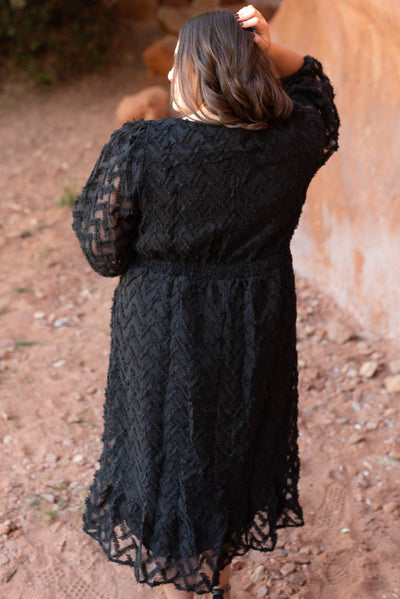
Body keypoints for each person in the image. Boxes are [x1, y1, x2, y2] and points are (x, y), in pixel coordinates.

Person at [71, 5, 340, 599]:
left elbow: (102, 251)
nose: (169, 77)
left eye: (176, 66)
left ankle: (181, 580)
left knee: (165, 449)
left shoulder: (142, 148)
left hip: (163, 322)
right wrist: (272, 51)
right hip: (254, 320)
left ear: (197, 71)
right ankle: (214, 573)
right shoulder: (293, 142)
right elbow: (317, 92)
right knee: (234, 437)